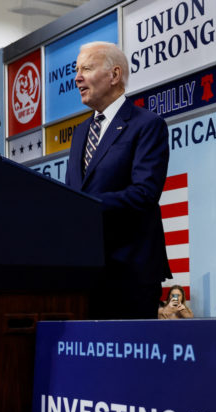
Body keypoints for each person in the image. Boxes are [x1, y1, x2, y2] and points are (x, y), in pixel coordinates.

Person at [66, 41, 171, 320]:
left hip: (129, 273)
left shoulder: (147, 125)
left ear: (114, 76)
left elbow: (145, 193)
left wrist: (81, 205)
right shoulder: (80, 133)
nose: (77, 77)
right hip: (84, 272)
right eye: (77, 70)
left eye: (86, 69)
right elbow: (71, 193)